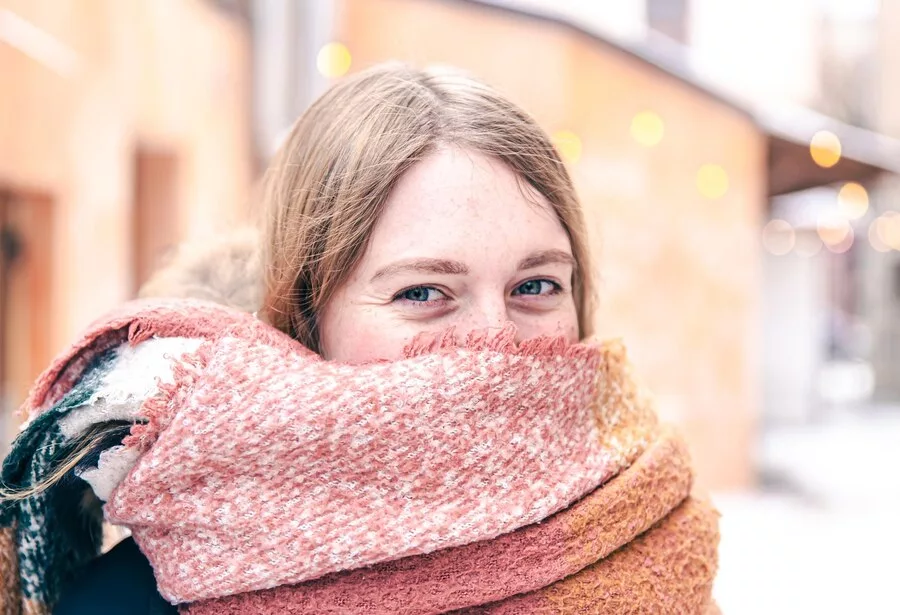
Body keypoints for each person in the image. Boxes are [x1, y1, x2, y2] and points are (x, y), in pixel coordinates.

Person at [0, 64, 719, 615]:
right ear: (306, 316)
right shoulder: (137, 601)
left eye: (536, 285)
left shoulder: (653, 529)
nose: (496, 343)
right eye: (423, 292)